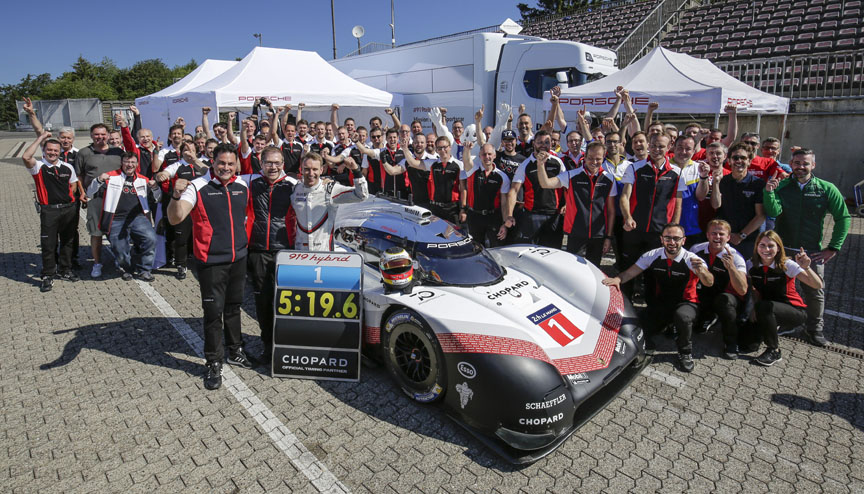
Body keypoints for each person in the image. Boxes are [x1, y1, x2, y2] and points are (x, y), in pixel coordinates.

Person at [168, 143, 255, 390]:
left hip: (238, 258)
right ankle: (213, 361)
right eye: (221, 163)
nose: (226, 168)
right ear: (212, 162)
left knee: (234, 307)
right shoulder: (198, 186)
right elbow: (175, 218)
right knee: (213, 314)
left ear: (235, 164)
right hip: (211, 262)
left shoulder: (243, 185)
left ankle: (235, 350)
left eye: (230, 163)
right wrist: (175, 194)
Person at [763, 148, 850, 347]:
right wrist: (769, 192)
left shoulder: (826, 188)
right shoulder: (781, 185)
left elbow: (843, 218)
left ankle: (814, 329)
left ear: (813, 165)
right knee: (779, 288)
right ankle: (785, 322)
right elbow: (773, 211)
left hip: (810, 250)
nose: (801, 167)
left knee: (814, 290)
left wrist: (833, 247)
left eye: (805, 163)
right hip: (783, 248)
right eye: (797, 163)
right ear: (791, 164)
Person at [603, 223, 714, 372]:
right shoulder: (653, 255)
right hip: (662, 302)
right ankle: (657, 335)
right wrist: (617, 279)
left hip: (686, 303)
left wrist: (702, 272)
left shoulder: (691, 259)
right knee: (640, 324)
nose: (672, 242)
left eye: (676, 238)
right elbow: (630, 273)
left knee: (683, 317)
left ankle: (685, 352)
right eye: (668, 238)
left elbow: (709, 282)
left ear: (683, 240)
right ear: (662, 239)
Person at [243, 147, 298, 365]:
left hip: (285, 252)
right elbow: (219, 174)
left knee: (286, 302)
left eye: (276, 163)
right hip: (257, 251)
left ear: (283, 163)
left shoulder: (293, 185)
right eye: (268, 163)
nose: (272, 167)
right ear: (261, 163)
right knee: (263, 301)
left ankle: (288, 346)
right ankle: (268, 347)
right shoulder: (251, 182)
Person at [618, 133, 686, 297]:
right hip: (634, 229)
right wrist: (628, 217)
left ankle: (649, 307)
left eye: (661, 146)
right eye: (654, 145)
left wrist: (673, 229)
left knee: (653, 272)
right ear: (649, 145)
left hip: (659, 232)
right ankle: (624, 304)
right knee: (628, 266)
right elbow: (625, 196)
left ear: (669, 147)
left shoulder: (677, 172)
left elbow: (678, 201)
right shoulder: (634, 167)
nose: (656, 149)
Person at [748, 230, 823, 366]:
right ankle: (769, 327)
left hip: (794, 311)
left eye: (771, 246)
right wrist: (754, 308)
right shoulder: (752, 265)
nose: (766, 249)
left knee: (765, 307)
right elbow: (755, 290)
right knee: (747, 345)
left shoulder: (786, 265)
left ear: (778, 249)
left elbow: (817, 285)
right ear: (756, 246)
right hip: (767, 309)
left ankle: (774, 351)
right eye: (762, 245)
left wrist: (806, 268)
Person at [535, 141, 616, 267]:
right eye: (590, 158)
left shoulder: (609, 179)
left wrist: (609, 237)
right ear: (585, 156)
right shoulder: (572, 175)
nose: (594, 162)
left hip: (598, 234)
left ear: (604, 157)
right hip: (576, 232)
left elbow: (611, 211)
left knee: (594, 270)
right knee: (573, 268)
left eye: (598, 159)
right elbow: (546, 184)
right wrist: (540, 165)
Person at [87, 153, 160, 281]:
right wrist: (98, 180)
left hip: (138, 218)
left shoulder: (143, 179)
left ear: (137, 164)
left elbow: (158, 197)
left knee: (151, 239)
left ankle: (145, 269)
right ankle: (126, 268)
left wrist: (155, 188)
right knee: (119, 248)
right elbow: (90, 192)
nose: (129, 165)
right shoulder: (110, 177)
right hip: (116, 219)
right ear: (122, 163)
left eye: (132, 162)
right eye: (127, 162)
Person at [22, 131, 80, 292]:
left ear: (60, 151)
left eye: (56, 150)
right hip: (50, 211)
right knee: (49, 244)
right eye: (49, 150)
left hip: (69, 209)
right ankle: (48, 274)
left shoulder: (67, 167)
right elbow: (26, 157)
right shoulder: (38, 167)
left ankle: (65, 270)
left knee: (68, 241)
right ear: (44, 151)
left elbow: (73, 184)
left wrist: (70, 201)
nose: (53, 153)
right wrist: (40, 138)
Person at [690, 220, 749, 359]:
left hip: (727, 296)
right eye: (713, 233)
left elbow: (742, 290)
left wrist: (731, 268)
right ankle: (706, 317)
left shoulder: (736, 257)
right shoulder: (696, 249)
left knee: (724, 302)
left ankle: (731, 343)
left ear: (728, 237)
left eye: (721, 234)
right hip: (705, 290)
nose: (717, 237)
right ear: (707, 235)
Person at [153, 143, 210, 279]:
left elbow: (212, 173)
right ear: (181, 152)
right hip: (184, 206)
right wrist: (161, 175)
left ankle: (201, 261)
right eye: (186, 150)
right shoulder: (177, 165)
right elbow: (164, 173)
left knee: (202, 236)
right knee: (181, 237)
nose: (189, 153)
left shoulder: (204, 163)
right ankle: (181, 265)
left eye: (192, 149)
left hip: (203, 207)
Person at [75, 123, 124, 278]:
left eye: (103, 134)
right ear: (91, 135)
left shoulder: (118, 152)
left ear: (108, 135)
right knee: (96, 233)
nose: (100, 137)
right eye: (96, 134)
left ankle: (121, 261)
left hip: (116, 198)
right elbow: (79, 175)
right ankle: (97, 263)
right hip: (96, 199)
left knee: (119, 231)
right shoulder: (83, 153)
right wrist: (82, 193)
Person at [291, 153, 368, 251]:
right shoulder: (295, 189)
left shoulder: (330, 189)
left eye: (315, 169)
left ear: (321, 170)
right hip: (299, 253)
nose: (311, 173)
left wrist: (356, 171)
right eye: (307, 169)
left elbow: (361, 195)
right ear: (301, 169)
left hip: (325, 254)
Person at [503, 130, 566, 247]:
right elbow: (513, 191)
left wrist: (566, 204)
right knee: (528, 252)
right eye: (539, 142)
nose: (543, 145)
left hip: (553, 215)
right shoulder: (525, 164)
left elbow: (567, 187)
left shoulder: (558, 162)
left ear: (551, 144)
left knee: (553, 253)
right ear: (533, 144)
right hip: (532, 215)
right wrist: (509, 215)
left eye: (547, 142)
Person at [710, 143, 766, 258]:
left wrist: (741, 235)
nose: (739, 161)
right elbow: (715, 205)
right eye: (735, 158)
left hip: (748, 240)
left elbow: (760, 216)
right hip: (725, 239)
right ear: (729, 161)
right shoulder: (723, 181)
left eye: (743, 158)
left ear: (749, 161)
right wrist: (715, 183)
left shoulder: (758, 184)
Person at [460, 142, 511, 246]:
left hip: (493, 217)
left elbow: (504, 203)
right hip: (474, 216)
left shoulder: (502, 177)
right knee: (475, 248)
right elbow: (466, 161)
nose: (486, 157)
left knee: (496, 247)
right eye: (484, 154)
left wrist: (504, 224)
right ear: (479, 156)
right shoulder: (473, 170)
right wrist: (467, 149)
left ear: (494, 155)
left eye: (489, 154)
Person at [402, 136, 463, 222]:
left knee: (453, 235)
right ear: (436, 150)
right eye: (439, 148)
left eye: (445, 147)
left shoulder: (459, 165)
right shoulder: (433, 163)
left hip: (452, 209)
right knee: (436, 234)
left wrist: (463, 209)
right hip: (435, 208)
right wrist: (405, 149)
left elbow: (464, 188)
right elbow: (413, 163)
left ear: (450, 147)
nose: (442, 150)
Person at [355, 128, 410, 199]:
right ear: (386, 139)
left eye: (394, 137)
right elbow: (364, 150)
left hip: (403, 190)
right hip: (386, 190)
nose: (392, 139)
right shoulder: (381, 151)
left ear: (398, 138)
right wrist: (356, 141)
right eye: (390, 137)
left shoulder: (405, 152)